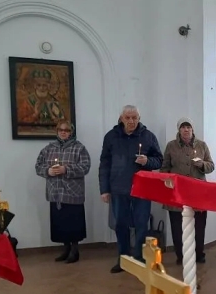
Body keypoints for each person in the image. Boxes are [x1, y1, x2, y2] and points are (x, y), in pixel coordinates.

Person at [99, 105, 163, 273]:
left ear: (139, 119)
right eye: (128, 118)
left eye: (134, 118)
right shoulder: (111, 137)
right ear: (121, 118)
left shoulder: (148, 136)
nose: (131, 121)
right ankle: (123, 258)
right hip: (118, 189)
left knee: (142, 224)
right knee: (121, 225)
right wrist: (104, 189)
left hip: (142, 189)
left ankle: (139, 259)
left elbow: (159, 160)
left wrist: (147, 162)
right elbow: (104, 164)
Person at [34, 120, 92, 263]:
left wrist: (66, 170)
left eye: (66, 130)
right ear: (57, 131)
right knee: (60, 225)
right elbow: (38, 166)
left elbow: (85, 167)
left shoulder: (79, 148)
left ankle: (74, 250)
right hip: (56, 193)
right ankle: (65, 250)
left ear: (71, 132)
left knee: (73, 224)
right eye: (61, 130)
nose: (63, 132)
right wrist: (48, 171)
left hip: (73, 193)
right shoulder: (48, 149)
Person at [160, 117, 215, 265]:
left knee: (198, 226)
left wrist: (202, 164)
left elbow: (211, 166)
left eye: (188, 127)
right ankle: (181, 255)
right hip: (177, 193)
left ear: (192, 129)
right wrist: (167, 180)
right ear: (179, 130)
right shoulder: (171, 146)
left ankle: (199, 254)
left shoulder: (202, 145)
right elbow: (164, 167)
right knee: (178, 227)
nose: (186, 129)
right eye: (183, 127)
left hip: (198, 193)